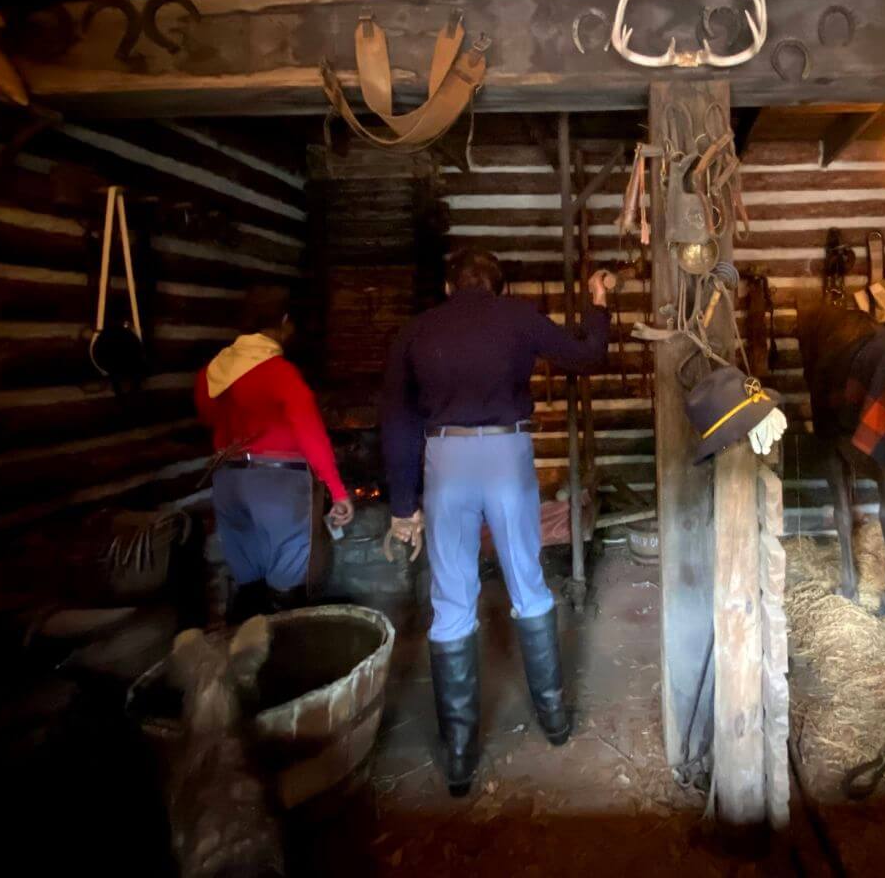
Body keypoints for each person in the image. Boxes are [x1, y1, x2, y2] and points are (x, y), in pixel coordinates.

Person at [382, 248, 612, 797]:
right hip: (506, 454)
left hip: (446, 458)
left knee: (452, 597)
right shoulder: (518, 317)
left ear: (446, 284)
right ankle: (554, 721)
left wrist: (401, 505)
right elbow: (585, 357)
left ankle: (460, 756)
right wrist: (598, 303)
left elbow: (397, 418)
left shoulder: (416, 331)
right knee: (528, 582)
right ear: (501, 287)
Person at [195, 285, 353, 620]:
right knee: (287, 582)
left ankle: (243, 655)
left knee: (248, 580)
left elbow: (209, 418)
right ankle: (285, 655)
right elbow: (311, 436)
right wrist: (338, 492)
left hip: (228, 484)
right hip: (278, 485)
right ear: (283, 322)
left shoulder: (211, 373)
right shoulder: (281, 374)